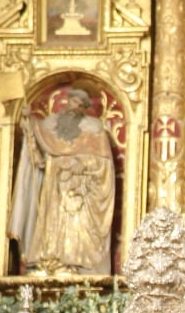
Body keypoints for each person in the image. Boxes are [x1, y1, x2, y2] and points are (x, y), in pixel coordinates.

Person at [10, 86, 116, 274]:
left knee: (80, 227)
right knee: (51, 223)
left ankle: (79, 264)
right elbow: (36, 143)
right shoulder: (50, 124)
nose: (75, 107)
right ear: (67, 101)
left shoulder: (93, 128)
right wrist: (28, 121)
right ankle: (50, 260)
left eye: (80, 104)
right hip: (54, 186)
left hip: (80, 190)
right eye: (73, 101)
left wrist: (83, 165)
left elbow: (103, 163)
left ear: (84, 108)